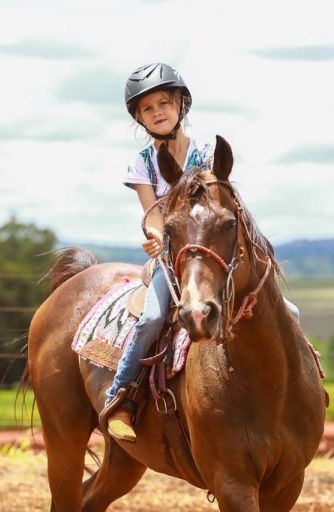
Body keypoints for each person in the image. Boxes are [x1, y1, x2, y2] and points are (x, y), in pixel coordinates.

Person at [102, 63, 301, 443]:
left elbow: (217, 202)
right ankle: (121, 399)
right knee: (151, 318)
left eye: (164, 103)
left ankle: (300, 388)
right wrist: (156, 238)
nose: (158, 112)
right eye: (147, 108)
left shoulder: (207, 153)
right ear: (139, 118)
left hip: (211, 251)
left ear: (181, 106)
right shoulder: (141, 164)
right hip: (173, 257)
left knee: (289, 312)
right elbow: (152, 214)